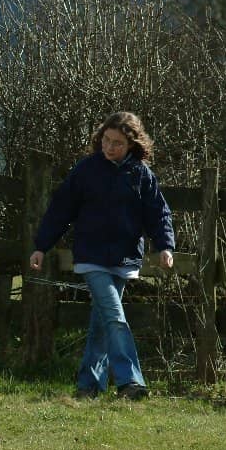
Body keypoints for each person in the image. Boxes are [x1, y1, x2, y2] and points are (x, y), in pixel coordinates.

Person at [29, 112, 175, 400]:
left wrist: (165, 246)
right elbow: (60, 210)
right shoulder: (86, 170)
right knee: (114, 315)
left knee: (102, 321)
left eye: (117, 143)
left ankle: (89, 386)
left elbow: (158, 213)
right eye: (106, 140)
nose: (109, 147)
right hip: (91, 256)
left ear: (132, 144)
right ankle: (130, 381)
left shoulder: (141, 174)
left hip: (123, 259)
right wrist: (41, 246)